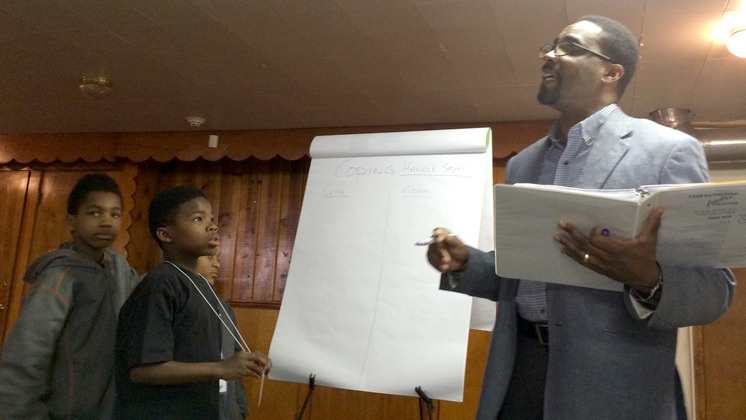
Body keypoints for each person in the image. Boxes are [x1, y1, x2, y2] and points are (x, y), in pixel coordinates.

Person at [426, 15, 736, 420]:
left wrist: (648, 278)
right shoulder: (522, 164)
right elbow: (521, 278)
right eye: (550, 47)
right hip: (519, 371)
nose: (550, 56)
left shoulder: (667, 151)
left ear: (612, 72)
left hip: (614, 386)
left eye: (569, 47)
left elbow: (713, 289)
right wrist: (466, 263)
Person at [114, 186, 271, 419]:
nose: (212, 226)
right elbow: (143, 370)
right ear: (166, 235)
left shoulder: (203, 288)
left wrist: (246, 363)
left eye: (212, 219)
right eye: (198, 219)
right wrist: (221, 367)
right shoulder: (160, 284)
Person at [0, 173, 141, 419]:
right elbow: (26, 355)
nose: (106, 222)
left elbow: (147, 295)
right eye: (94, 213)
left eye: (115, 214)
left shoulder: (120, 270)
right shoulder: (59, 277)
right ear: (71, 222)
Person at [197, 241, 251, 420]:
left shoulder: (224, 308)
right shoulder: (177, 300)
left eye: (218, 258)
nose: (217, 264)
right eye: (210, 256)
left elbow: (235, 356)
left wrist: (240, 408)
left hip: (227, 411)